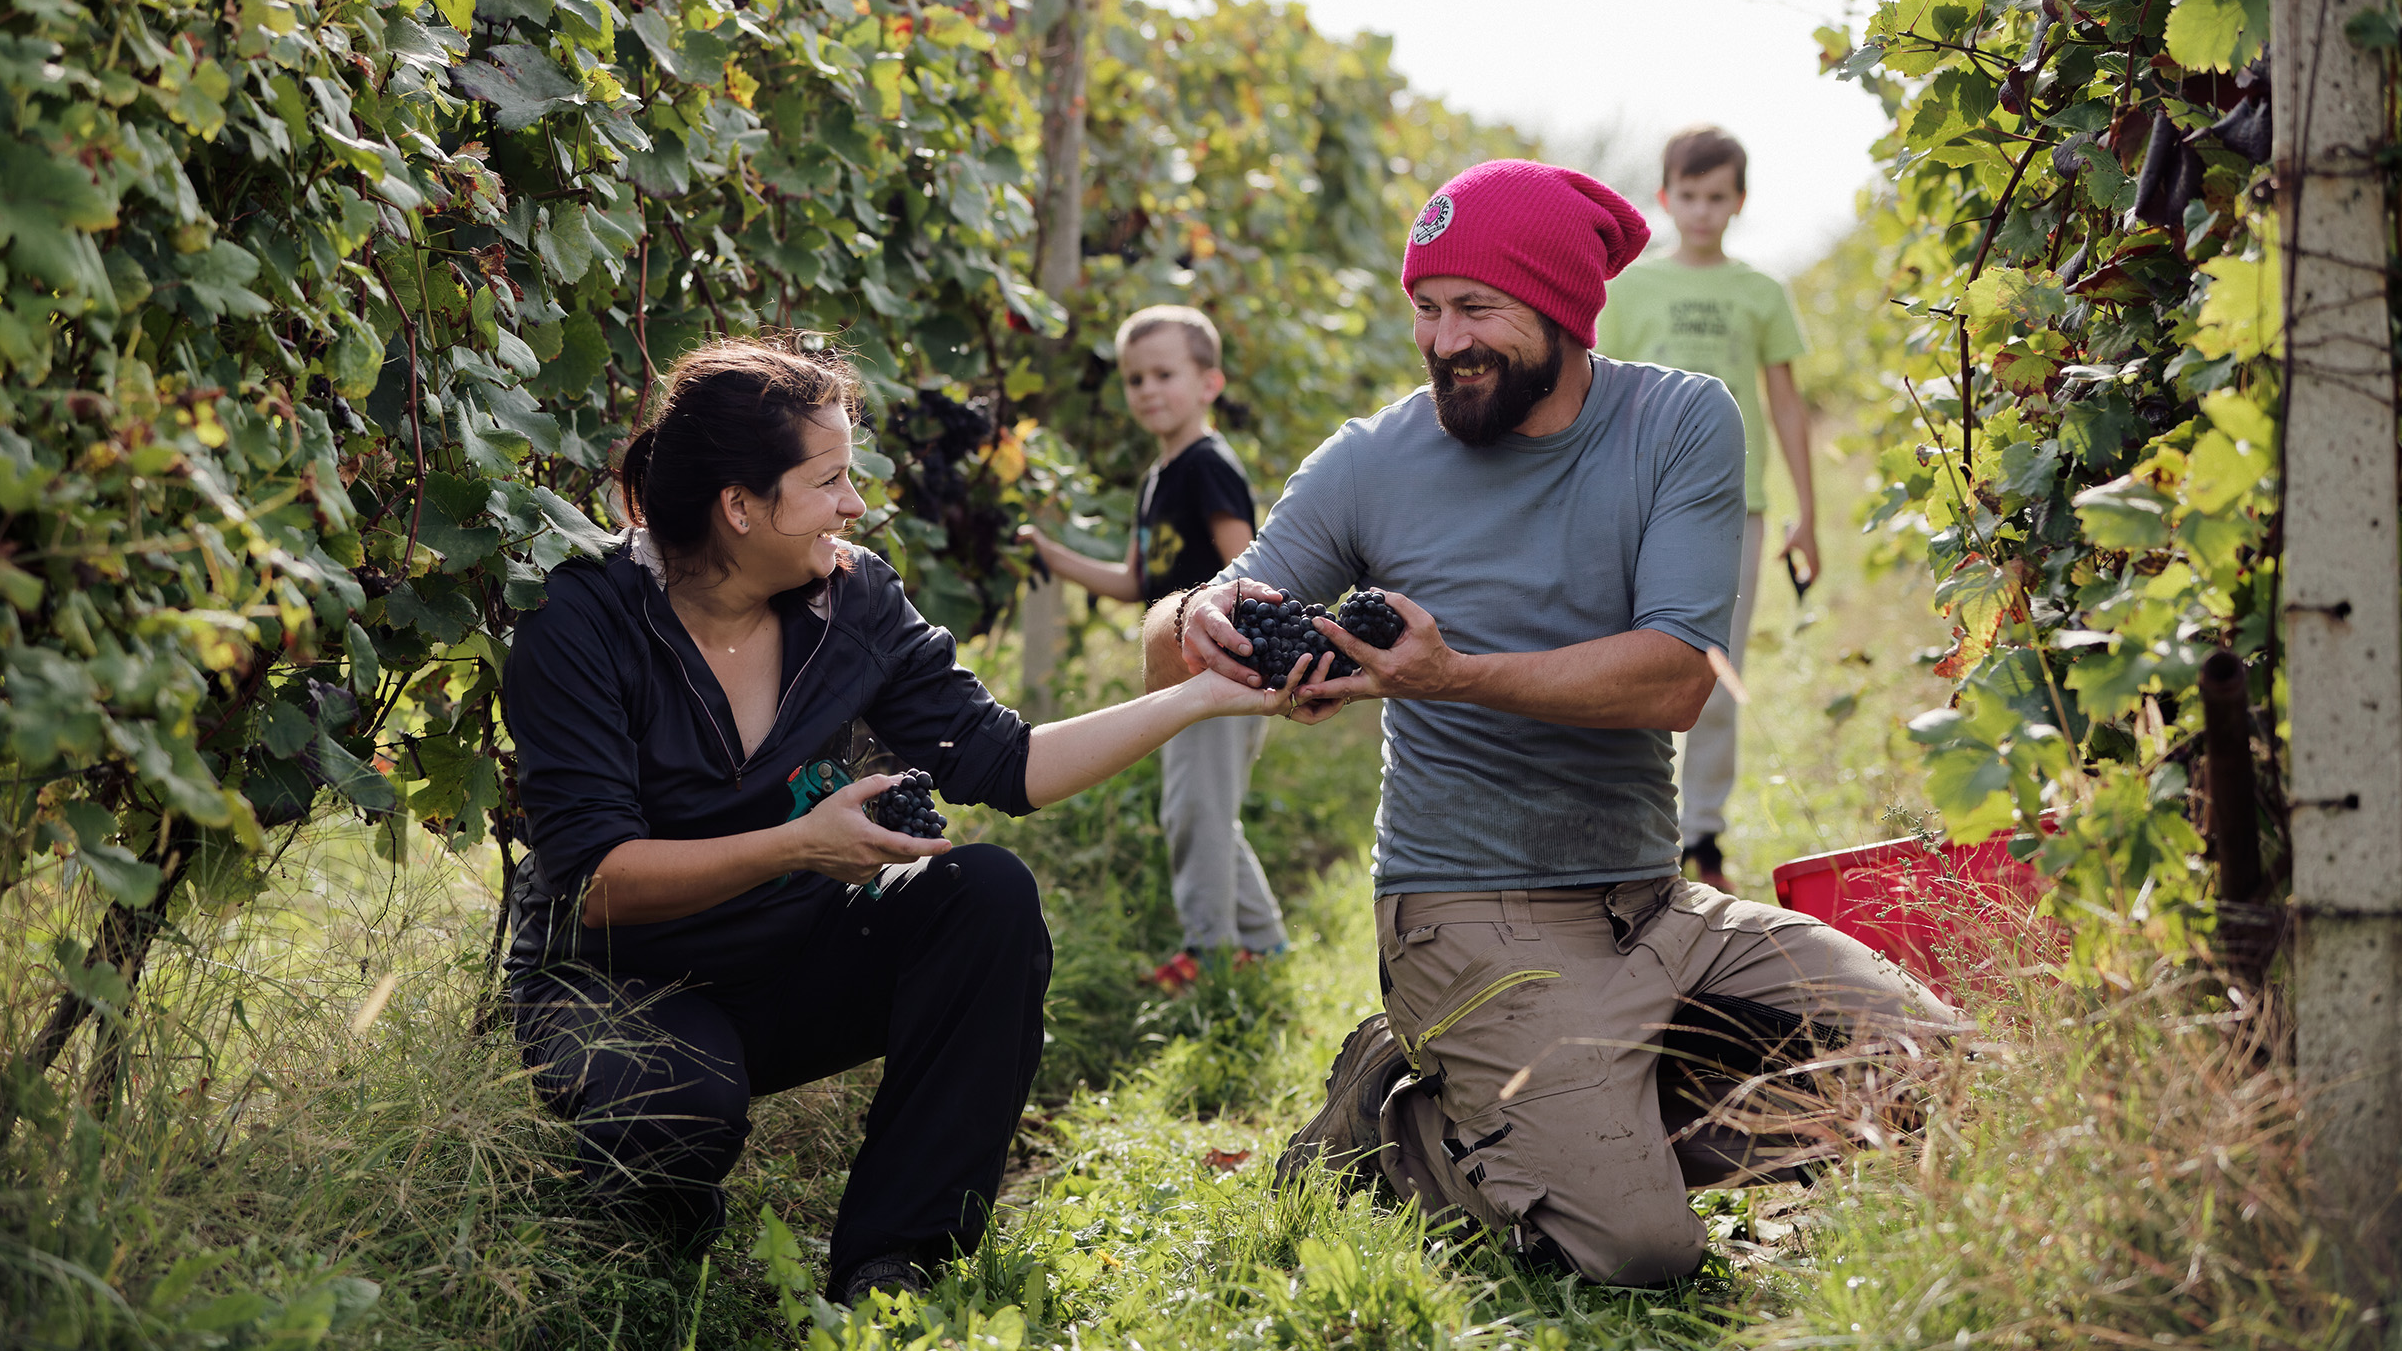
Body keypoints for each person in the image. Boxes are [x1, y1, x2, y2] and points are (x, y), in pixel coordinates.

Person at [1144, 160, 1959, 1286]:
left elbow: (1675, 677)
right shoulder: (1371, 459)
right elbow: (1185, 622)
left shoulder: (1677, 420)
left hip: (1650, 899)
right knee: (1638, 1246)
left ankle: (1515, 1105)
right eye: (1425, 309)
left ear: (1567, 312)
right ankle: (1395, 1142)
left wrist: (1451, 674)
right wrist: (1202, 611)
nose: (1442, 341)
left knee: (1940, 1068)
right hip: (1465, 905)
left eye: (1477, 309)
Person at [500, 336, 1315, 1305]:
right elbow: (596, 885)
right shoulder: (583, 622)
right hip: (618, 980)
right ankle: (648, 1249)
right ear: (740, 504)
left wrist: (1199, 697)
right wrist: (800, 843)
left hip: (783, 955)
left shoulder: (855, 599)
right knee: (676, 1107)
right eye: (830, 479)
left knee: (988, 896)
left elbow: (1006, 761)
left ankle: (893, 1262)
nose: (856, 504)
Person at [1020, 305, 1286, 991]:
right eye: (1135, 377)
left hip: (1222, 668)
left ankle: (1209, 952)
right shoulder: (1157, 479)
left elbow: (1248, 570)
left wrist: (1253, 662)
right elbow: (1135, 582)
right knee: (1203, 808)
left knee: (1194, 809)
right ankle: (1260, 944)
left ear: (1209, 382)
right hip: (1181, 672)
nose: (1147, 389)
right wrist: (1053, 555)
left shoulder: (1207, 465)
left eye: (1164, 373)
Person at [1593, 124, 1818, 894]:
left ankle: (1705, 835)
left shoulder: (1760, 293)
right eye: (1687, 195)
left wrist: (1806, 514)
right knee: (1626, 662)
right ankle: (1629, 828)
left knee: (1716, 670)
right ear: (1664, 198)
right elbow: (1602, 396)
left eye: (1717, 196)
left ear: (1738, 202)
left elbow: (1786, 407)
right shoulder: (1629, 290)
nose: (1701, 210)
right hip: (1640, 503)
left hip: (1737, 509)